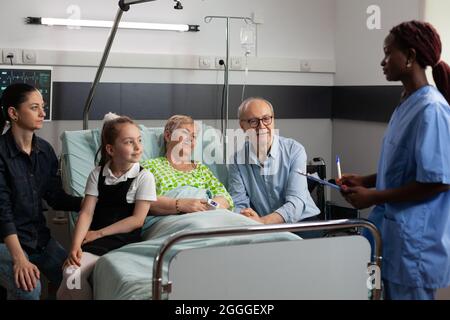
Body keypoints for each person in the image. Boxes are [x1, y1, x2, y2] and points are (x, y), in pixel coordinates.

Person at [338, 20, 450, 300]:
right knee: (371, 290)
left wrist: (373, 196)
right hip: (390, 232)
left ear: (410, 57)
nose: (382, 61)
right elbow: (404, 166)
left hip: (414, 244)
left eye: (388, 53)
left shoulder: (431, 109)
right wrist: (366, 180)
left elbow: (438, 181)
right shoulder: (406, 102)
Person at [57, 115, 157, 300]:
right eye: (129, 142)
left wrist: (98, 233)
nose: (138, 147)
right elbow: (86, 212)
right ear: (111, 149)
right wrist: (75, 246)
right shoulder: (97, 174)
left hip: (124, 242)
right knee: (71, 276)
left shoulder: (145, 177)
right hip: (95, 242)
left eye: (139, 140)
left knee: (70, 282)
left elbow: (137, 220)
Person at [0, 83, 83, 300]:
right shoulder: (1, 153)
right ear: (13, 113)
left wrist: (89, 202)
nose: (43, 113)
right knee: (29, 289)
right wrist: (19, 258)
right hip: (6, 242)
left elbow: (55, 197)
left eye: (43, 107)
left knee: (75, 282)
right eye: (35, 107)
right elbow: (3, 211)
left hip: (38, 239)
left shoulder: (45, 151)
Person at [228, 97, 320, 226]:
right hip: (259, 225)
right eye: (253, 121)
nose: (261, 126)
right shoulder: (237, 161)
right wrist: (249, 218)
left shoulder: (294, 150)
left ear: (273, 120)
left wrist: (263, 222)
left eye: (266, 119)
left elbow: (296, 202)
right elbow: (238, 203)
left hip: (301, 222)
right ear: (242, 126)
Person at [142, 115, 233, 216]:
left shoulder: (201, 169)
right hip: (174, 218)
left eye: (193, 136)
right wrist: (179, 204)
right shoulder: (150, 167)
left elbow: (225, 197)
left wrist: (210, 204)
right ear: (168, 136)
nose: (190, 139)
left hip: (207, 214)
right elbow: (142, 200)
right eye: (185, 133)